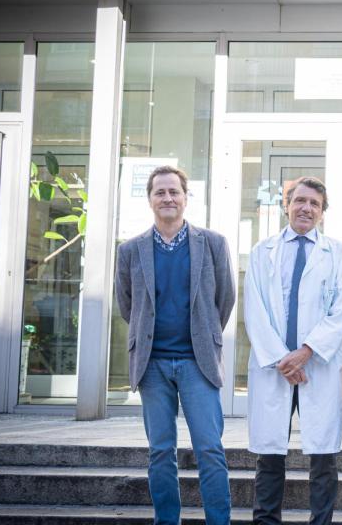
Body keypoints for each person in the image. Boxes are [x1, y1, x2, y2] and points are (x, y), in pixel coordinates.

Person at [115, 165, 235, 525]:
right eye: (160, 192)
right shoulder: (131, 249)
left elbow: (225, 299)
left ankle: (219, 521)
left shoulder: (212, 243)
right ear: (150, 199)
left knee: (210, 450)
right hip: (151, 365)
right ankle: (166, 521)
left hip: (198, 363)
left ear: (185, 197)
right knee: (160, 451)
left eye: (174, 192)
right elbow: (127, 303)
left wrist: (205, 334)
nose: (167, 198)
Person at [243, 176, 342, 525]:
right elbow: (254, 310)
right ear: (286, 205)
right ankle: (265, 521)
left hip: (316, 366)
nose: (307, 208)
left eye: (315, 204)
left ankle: (320, 522)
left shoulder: (336, 253)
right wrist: (283, 359)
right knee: (269, 455)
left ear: (322, 213)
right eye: (300, 201)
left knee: (323, 456)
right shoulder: (263, 252)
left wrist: (306, 351)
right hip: (274, 368)